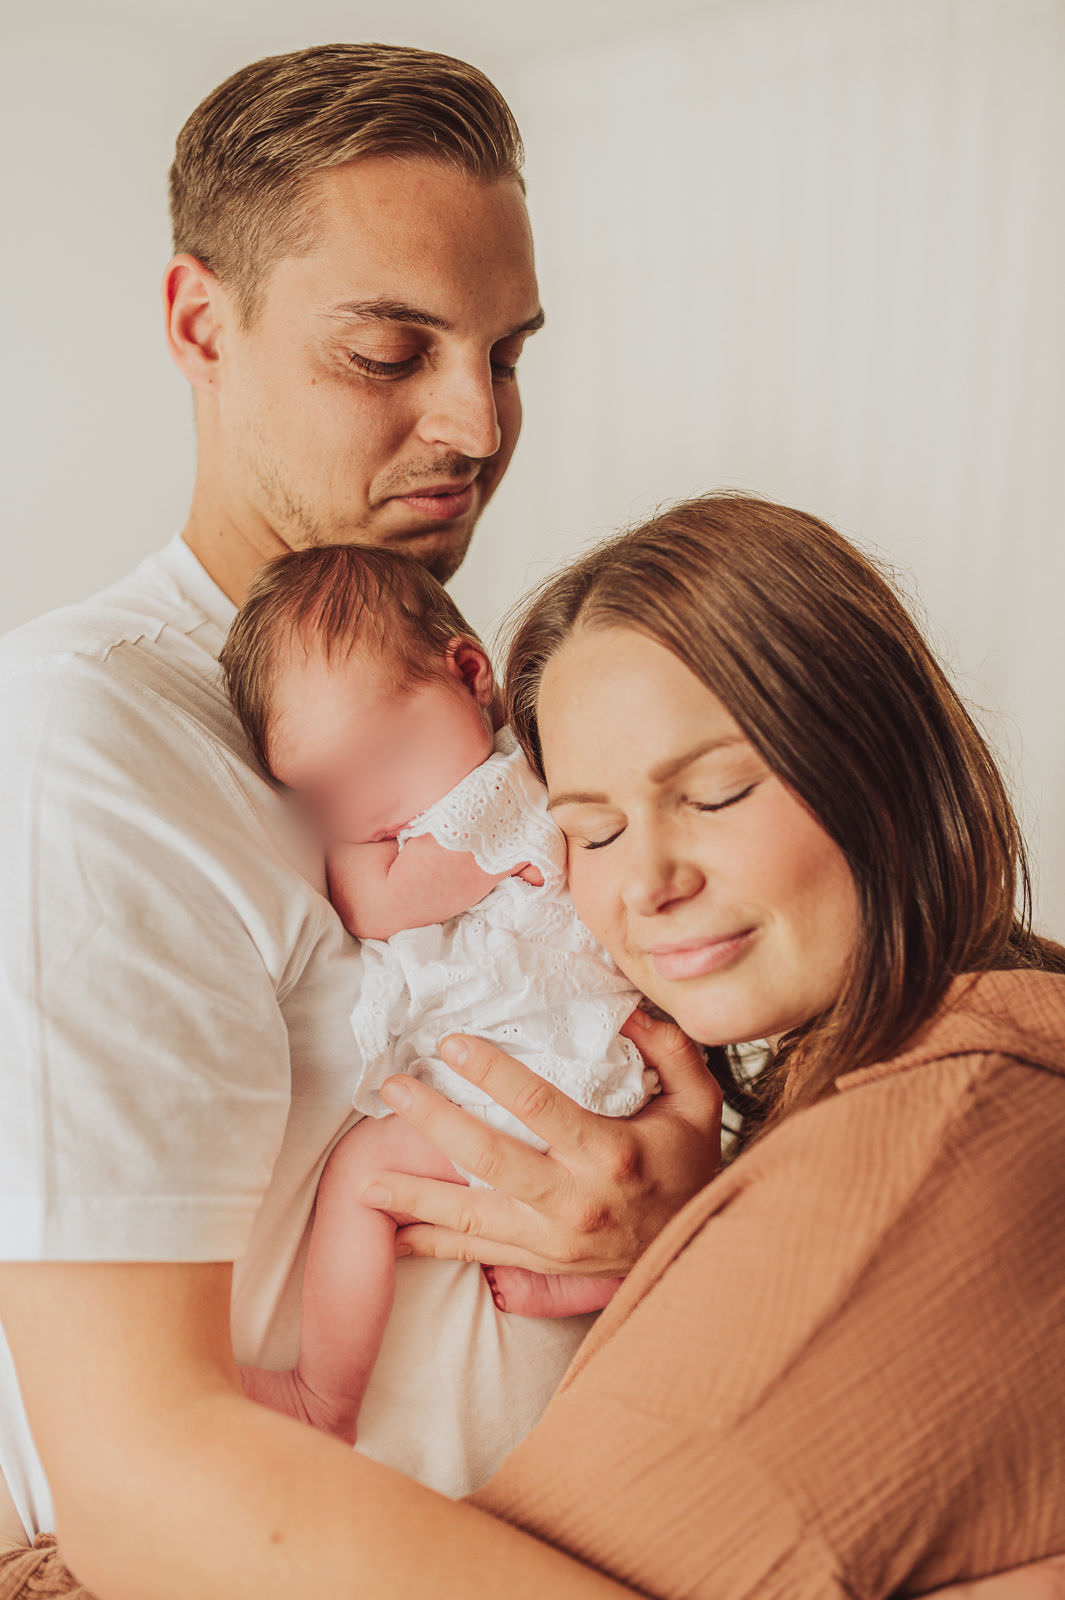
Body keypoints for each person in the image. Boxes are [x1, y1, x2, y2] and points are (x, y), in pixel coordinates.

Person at [7, 490, 1065, 1598]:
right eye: (590, 830)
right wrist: (692, 1235)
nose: (646, 883)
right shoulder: (889, 1092)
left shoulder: (940, 1137)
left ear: (875, 755)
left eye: (715, 793)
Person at [0, 41, 721, 1588]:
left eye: (506, 353)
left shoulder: (479, 712)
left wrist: (680, 1204)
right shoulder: (93, 735)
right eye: (391, 353)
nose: (474, 424)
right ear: (203, 323)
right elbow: (139, 1468)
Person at [220, 544, 659, 1441]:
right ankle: (585, 1282)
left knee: (365, 1171)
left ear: (471, 675)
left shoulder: (499, 796)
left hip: (548, 1067)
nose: (365, 806)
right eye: (321, 790)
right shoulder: (437, 796)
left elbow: (375, 905)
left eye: (381, 754)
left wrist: (329, 837)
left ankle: (325, 1396)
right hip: (550, 1070)